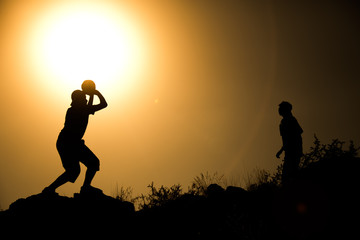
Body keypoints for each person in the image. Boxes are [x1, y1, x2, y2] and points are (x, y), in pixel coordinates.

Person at [43, 88, 107, 195]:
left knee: (81, 168)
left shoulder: (81, 109)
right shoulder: (75, 110)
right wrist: (94, 92)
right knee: (82, 167)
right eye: (84, 98)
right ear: (78, 100)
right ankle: (84, 188)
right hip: (68, 143)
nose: (86, 100)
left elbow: (91, 107)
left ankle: (52, 189)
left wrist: (91, 95)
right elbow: (103, 104)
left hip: (69, 142)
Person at [276, 101, 303, 185]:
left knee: (288, 177)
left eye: (281, 108)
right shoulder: (284, 122)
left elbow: (297, 133)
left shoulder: (290, 120)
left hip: (293, 151)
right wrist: (281, 150)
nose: (279, 110)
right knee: (290, 175)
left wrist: (282, 149)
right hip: (290, 151)